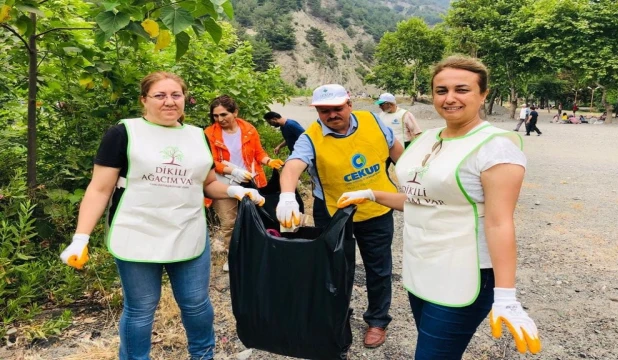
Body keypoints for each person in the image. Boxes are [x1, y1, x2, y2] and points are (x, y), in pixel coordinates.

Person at [334, 56, 541, 359]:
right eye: (441, 90)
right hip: (422, 266)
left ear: (483, 94)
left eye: (462, 89)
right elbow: (422, 200)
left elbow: (499, 222)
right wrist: (371, 193)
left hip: (465, 273)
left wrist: (506, 295)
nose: (450, 98)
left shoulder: (495, 147)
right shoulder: (426, 139)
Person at [59, 72, 265, 360]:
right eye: (160, 95)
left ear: (185, 99)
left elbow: (207, 184)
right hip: (137, 233)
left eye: (176, 95)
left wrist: (236, 192)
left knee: (196, 303)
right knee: (141, 308)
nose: (169, 102)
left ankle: (203, 356)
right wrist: (80, 238)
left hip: (188, 231)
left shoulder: (197, 136)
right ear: (144, 100)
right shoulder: (123, 133)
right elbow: (99, 189)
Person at [276, 84, 404, 348]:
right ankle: (338, 318)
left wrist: (415, 181)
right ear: (317, 112)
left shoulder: (373, 121)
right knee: (335, 270)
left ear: (349, 104)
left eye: (337, 108)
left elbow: (396, 151)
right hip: (335, 213)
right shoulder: (310, 137)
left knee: (379, 269)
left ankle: (378, 320)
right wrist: (287, 196)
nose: (332, 115)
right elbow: (293, 166)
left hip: (376, 209)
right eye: (324, 111)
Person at [204, 95, 284, 272]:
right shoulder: (209, 134)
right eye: (216, 116)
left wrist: (269, 161)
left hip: (249, 180)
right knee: (229, 221)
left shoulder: (248, 129)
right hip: (223, 182)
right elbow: (210, 161)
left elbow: (258, 153)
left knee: (255, 217)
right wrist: (232, 171)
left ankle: (255, 253)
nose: (220, 119)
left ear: (235, 112)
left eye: (224, 114)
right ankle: (233, 256)